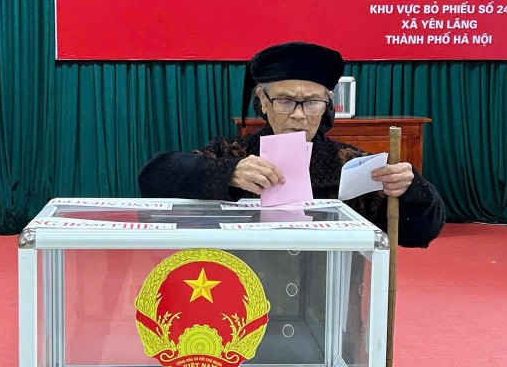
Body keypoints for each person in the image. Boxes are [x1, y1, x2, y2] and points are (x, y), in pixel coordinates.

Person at [138, 40, 445, 247]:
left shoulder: (352, 166)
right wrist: (228, 173)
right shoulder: (233, 154)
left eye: (311, 102)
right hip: (244, 298)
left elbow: (420, 232)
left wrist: (410, 189)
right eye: (285, 101)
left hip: (331, 303)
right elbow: (153, 178)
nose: (298, 115)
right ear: (263, 100)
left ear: (327, 103)